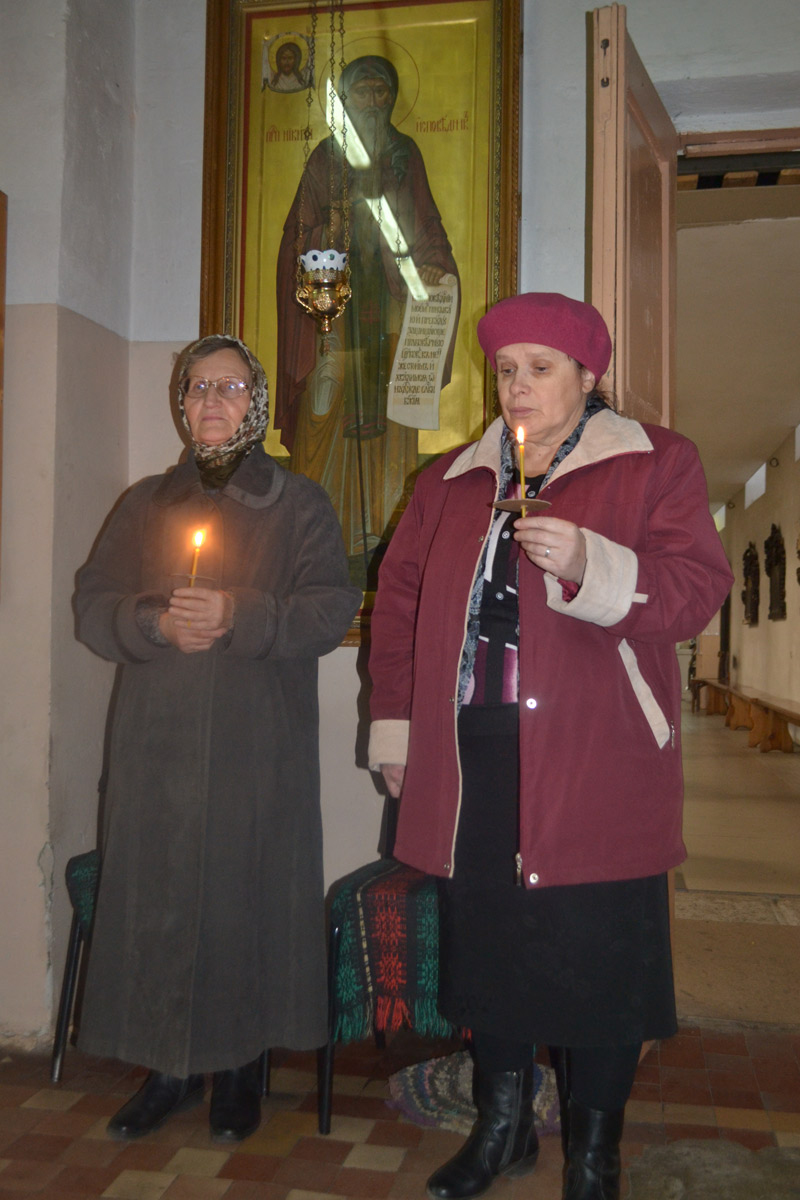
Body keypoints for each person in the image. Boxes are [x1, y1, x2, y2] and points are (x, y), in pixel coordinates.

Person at [367, 294, 733, 1200]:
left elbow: (696, 590)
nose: (518, 386)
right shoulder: (451, 480)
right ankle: (501, 1130)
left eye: (541, 368)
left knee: (600, 960)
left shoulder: (657, 462)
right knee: (490, 952)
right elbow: (401, 607)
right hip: (476, 751)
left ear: (588, 375)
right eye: (505, 370)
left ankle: (595, 1156)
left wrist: (589, 564)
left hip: (601, 752)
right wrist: (398, 728)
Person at [74, 335, 361, 1143]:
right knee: (158, 904)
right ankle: (167, 1068)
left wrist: (240, 616)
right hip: (155, 747)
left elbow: (329, 608)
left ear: (257, 403)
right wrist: (151, 623)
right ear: (181, 403)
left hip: (255, 746)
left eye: (230, 388)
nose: (211, 402)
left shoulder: (298, 503)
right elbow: (92, 605)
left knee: (245, 905)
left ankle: (241, 1069)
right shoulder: (145, 503)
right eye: (198, 387)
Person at [275, 54, 459, 564]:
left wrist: (433, 266)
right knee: (325, 398)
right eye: (363, 92)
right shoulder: (325, 157)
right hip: (334, 302)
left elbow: (425, 223)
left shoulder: (404, 154)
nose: (374, 102)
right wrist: (331, 227)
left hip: (392, 300)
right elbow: (298, 235)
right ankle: (312, 530)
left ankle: (381, 534)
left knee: (391, 407)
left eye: (382, 92)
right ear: (347, 99)